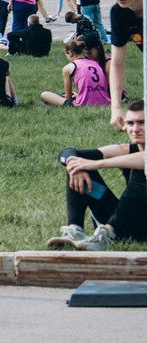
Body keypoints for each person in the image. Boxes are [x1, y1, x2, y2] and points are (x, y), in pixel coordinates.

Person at [48, 100, 146, 249]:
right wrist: (74, 163)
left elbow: (144, 159)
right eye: (130, 123)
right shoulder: (126, 149)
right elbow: (68, 153)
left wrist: (96, 164)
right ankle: (75, 230)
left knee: (141, 171)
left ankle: (107, 234)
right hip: (126, 221)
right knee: (77, 166)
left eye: (142, 122)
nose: (135, 129)